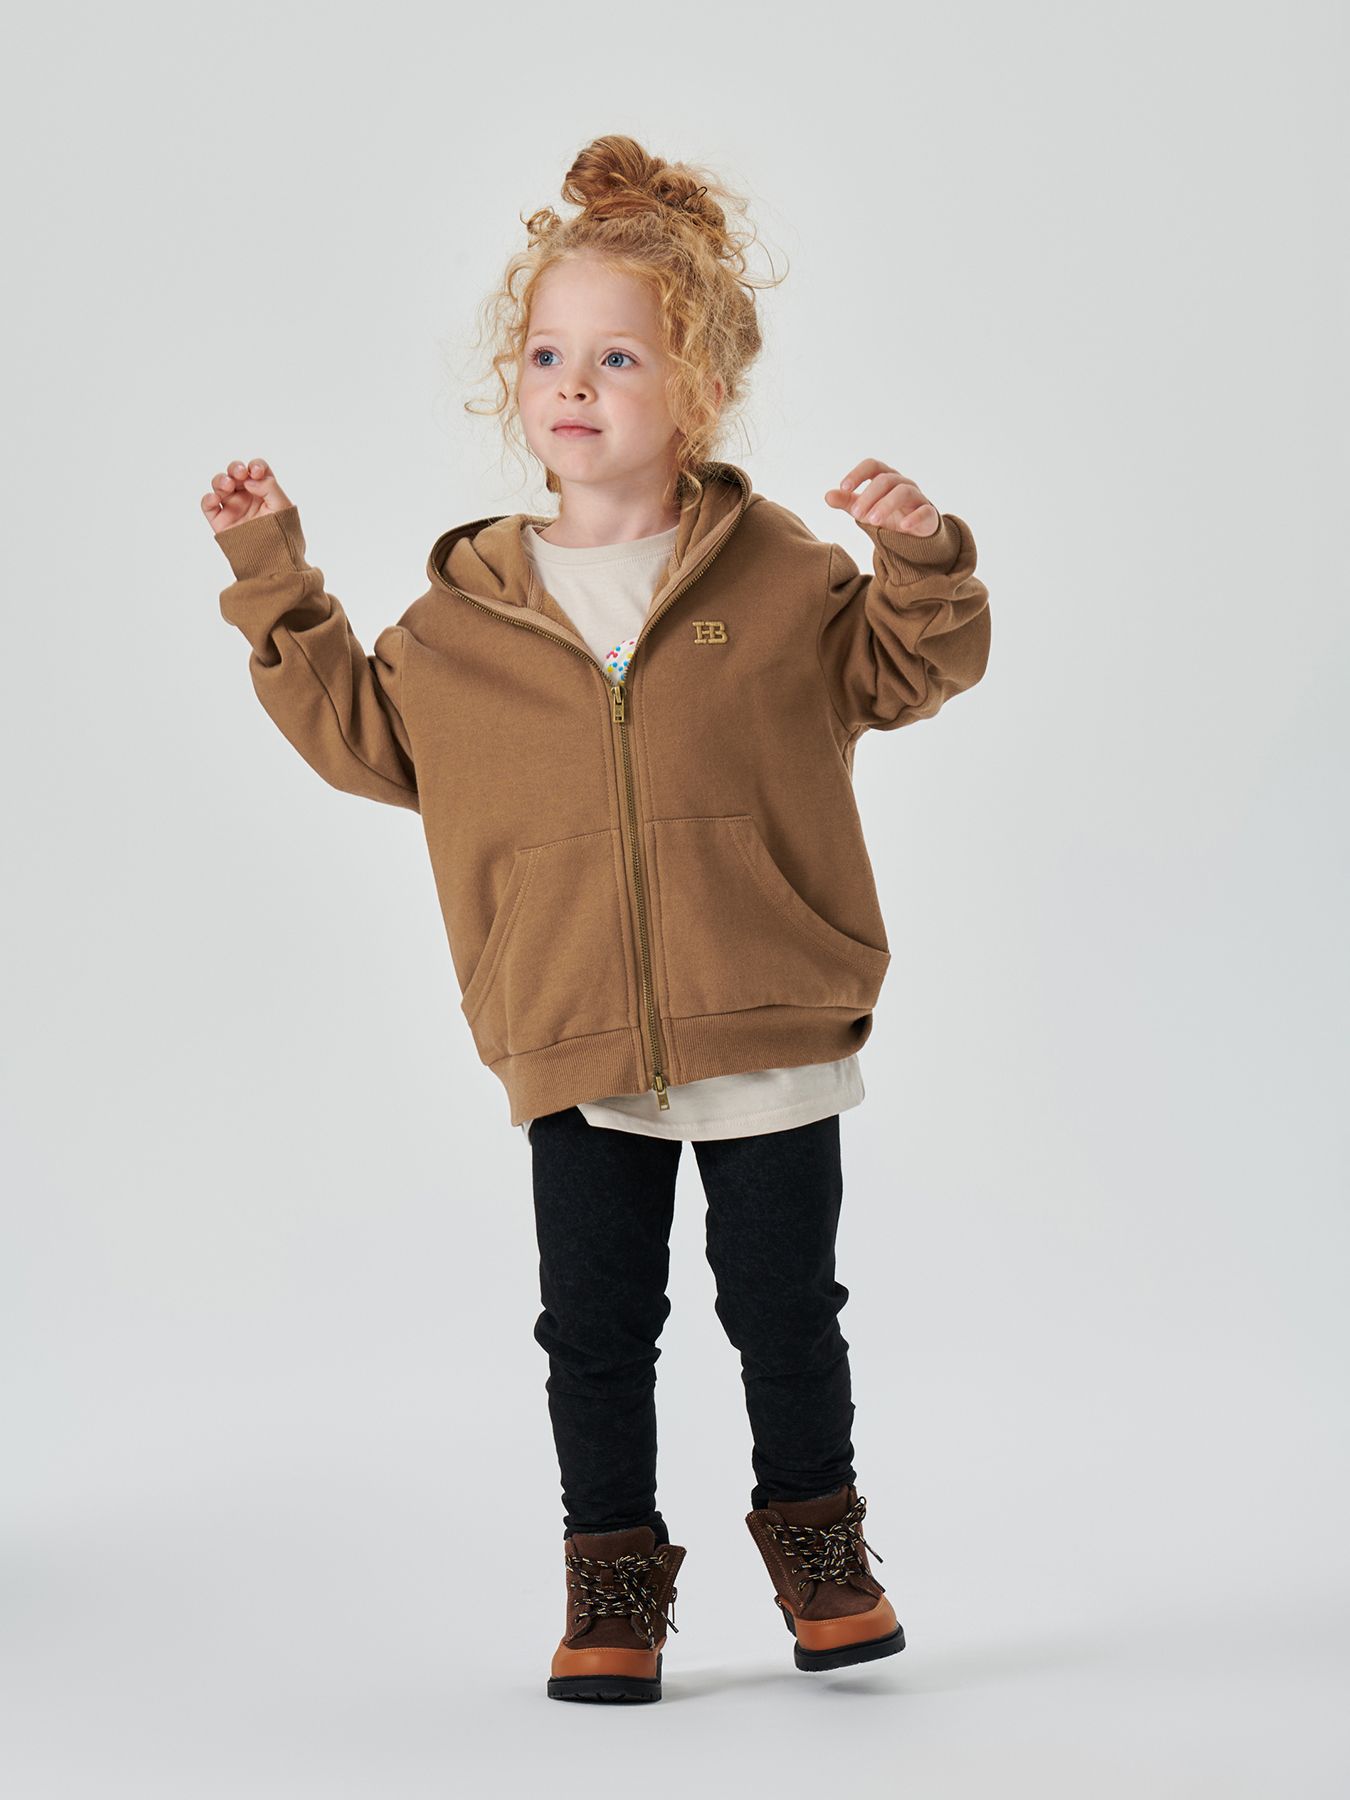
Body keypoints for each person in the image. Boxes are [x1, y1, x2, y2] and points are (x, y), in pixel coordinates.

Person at [202, 133, 991, 1705]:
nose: (575, 383)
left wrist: (918, 558)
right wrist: (273, 579)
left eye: (619, 356)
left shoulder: (781, 578)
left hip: (765, 1013)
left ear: (697, 391)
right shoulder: (463, 623)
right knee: (593, 1330)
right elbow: (365, 738)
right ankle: (611, 1584)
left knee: (785, 1312)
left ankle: (821, 1553)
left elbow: (915, 666)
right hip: (568, 1027)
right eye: (547, 354)